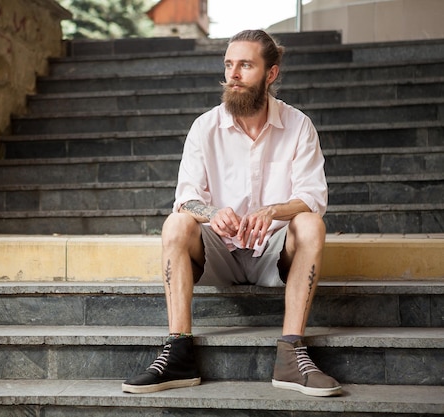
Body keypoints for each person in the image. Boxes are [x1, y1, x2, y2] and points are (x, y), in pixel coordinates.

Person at [121, 29, 341, 397]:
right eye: (229, 65)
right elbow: (186, 197)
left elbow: (312, 196)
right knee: (177, 223)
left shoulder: (298, 125)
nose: (233, 75)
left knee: (311, 224)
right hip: (217, 254)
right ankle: (178, 352)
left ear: (270, 74)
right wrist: (212, 212)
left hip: (274, 252)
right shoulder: (205, 127)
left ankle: (291, 353)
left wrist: (274, 211)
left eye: (245, 65)